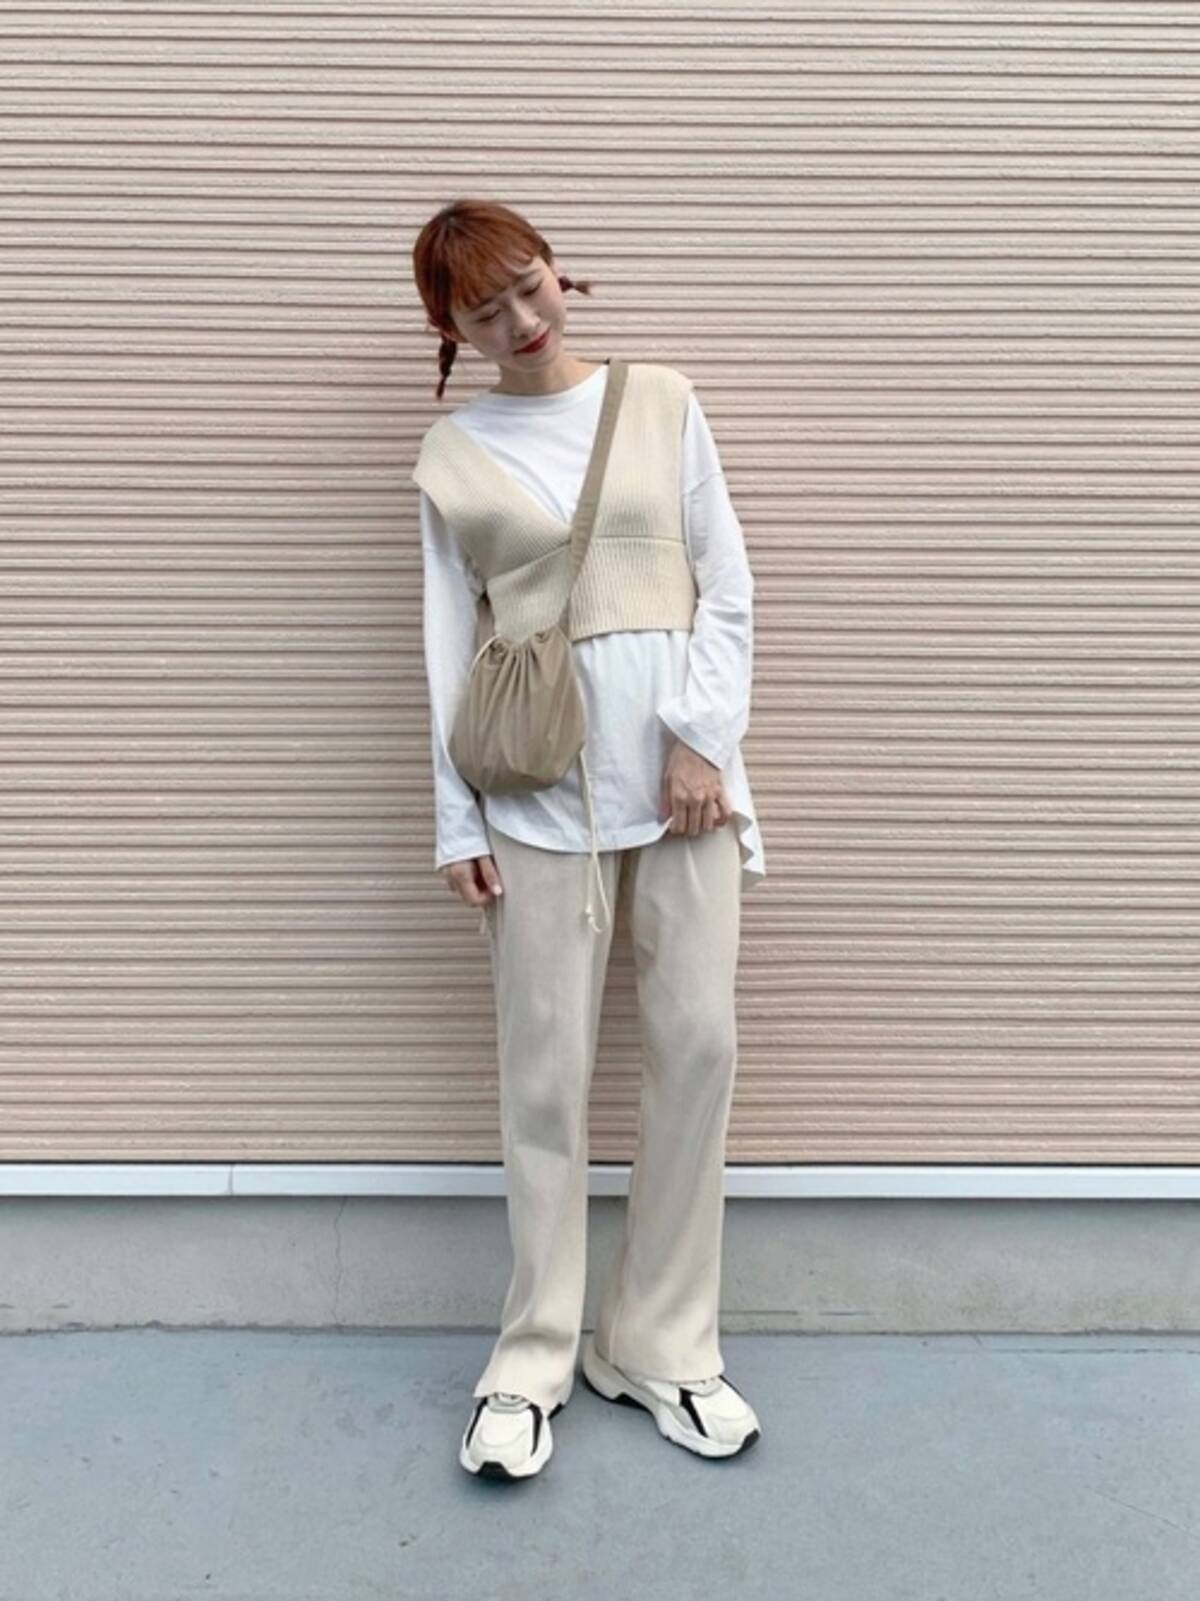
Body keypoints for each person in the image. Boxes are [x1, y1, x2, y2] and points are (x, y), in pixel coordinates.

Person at [410, 199, 765, 1480]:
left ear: (562, 271)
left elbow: (726, 583)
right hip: (533, 798)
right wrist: (457, 818)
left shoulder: (661, 401)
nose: (519, 319)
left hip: (682, 794)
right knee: (545, 1078)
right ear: (452, 330)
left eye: (529, 286)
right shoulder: (454, 454)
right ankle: (532, 1356)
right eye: (483, 309)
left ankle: (660, 1343)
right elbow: (449, 639)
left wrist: (701, 741)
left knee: (698, 1046)